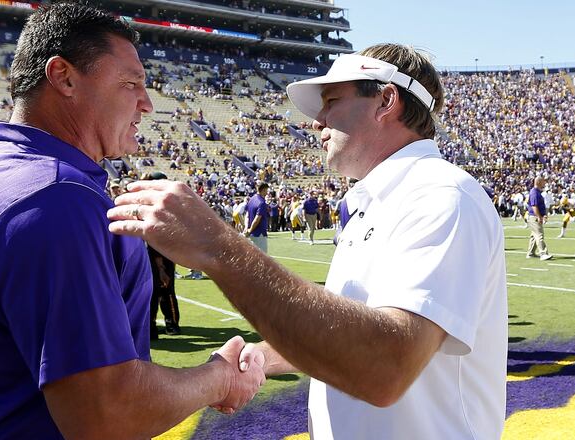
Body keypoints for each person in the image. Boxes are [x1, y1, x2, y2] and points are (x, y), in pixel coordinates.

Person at [110, 44, 507, 439]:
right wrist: (267, 356)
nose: (317, 121)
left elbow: (386, 366)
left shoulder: (441, 196)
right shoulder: (381, 200)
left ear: (386, 100)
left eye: (331, 100)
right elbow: (357, 325)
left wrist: (219, 246)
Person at [0, 5, 264, 439]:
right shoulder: (55, 199)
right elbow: (107, 416)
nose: (147, 104)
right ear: (64, 77)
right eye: (130, 84)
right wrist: (219, 377)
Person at [144, 171, 181, 338]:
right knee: (155, 291)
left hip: (162, 251)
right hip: (154, 251)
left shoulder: (165, 204)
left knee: (165, 290)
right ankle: (155, 325)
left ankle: (170, 323)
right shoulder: (153, 203)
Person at [526, 176, 553, 260]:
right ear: (538, 182)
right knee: (539, 235)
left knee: (534, 236)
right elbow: (534, 206)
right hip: (534, 217)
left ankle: (530, 253)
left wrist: (543, 214)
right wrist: (539, 216)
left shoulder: (537, 192)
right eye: (543, 181)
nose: (544, 183)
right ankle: (543, 253)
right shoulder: (534, 192)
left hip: (534, 216)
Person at [245, 182, 270, 253]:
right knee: (262, 258)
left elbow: (247, 214)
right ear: (263, 190)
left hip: (251, 234)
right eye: (266, 190)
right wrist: (250, 229)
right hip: (259, 233)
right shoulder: (262, 202)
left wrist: (247, 228)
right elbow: (257, 218)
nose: (267, 192)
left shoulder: (251, 199)